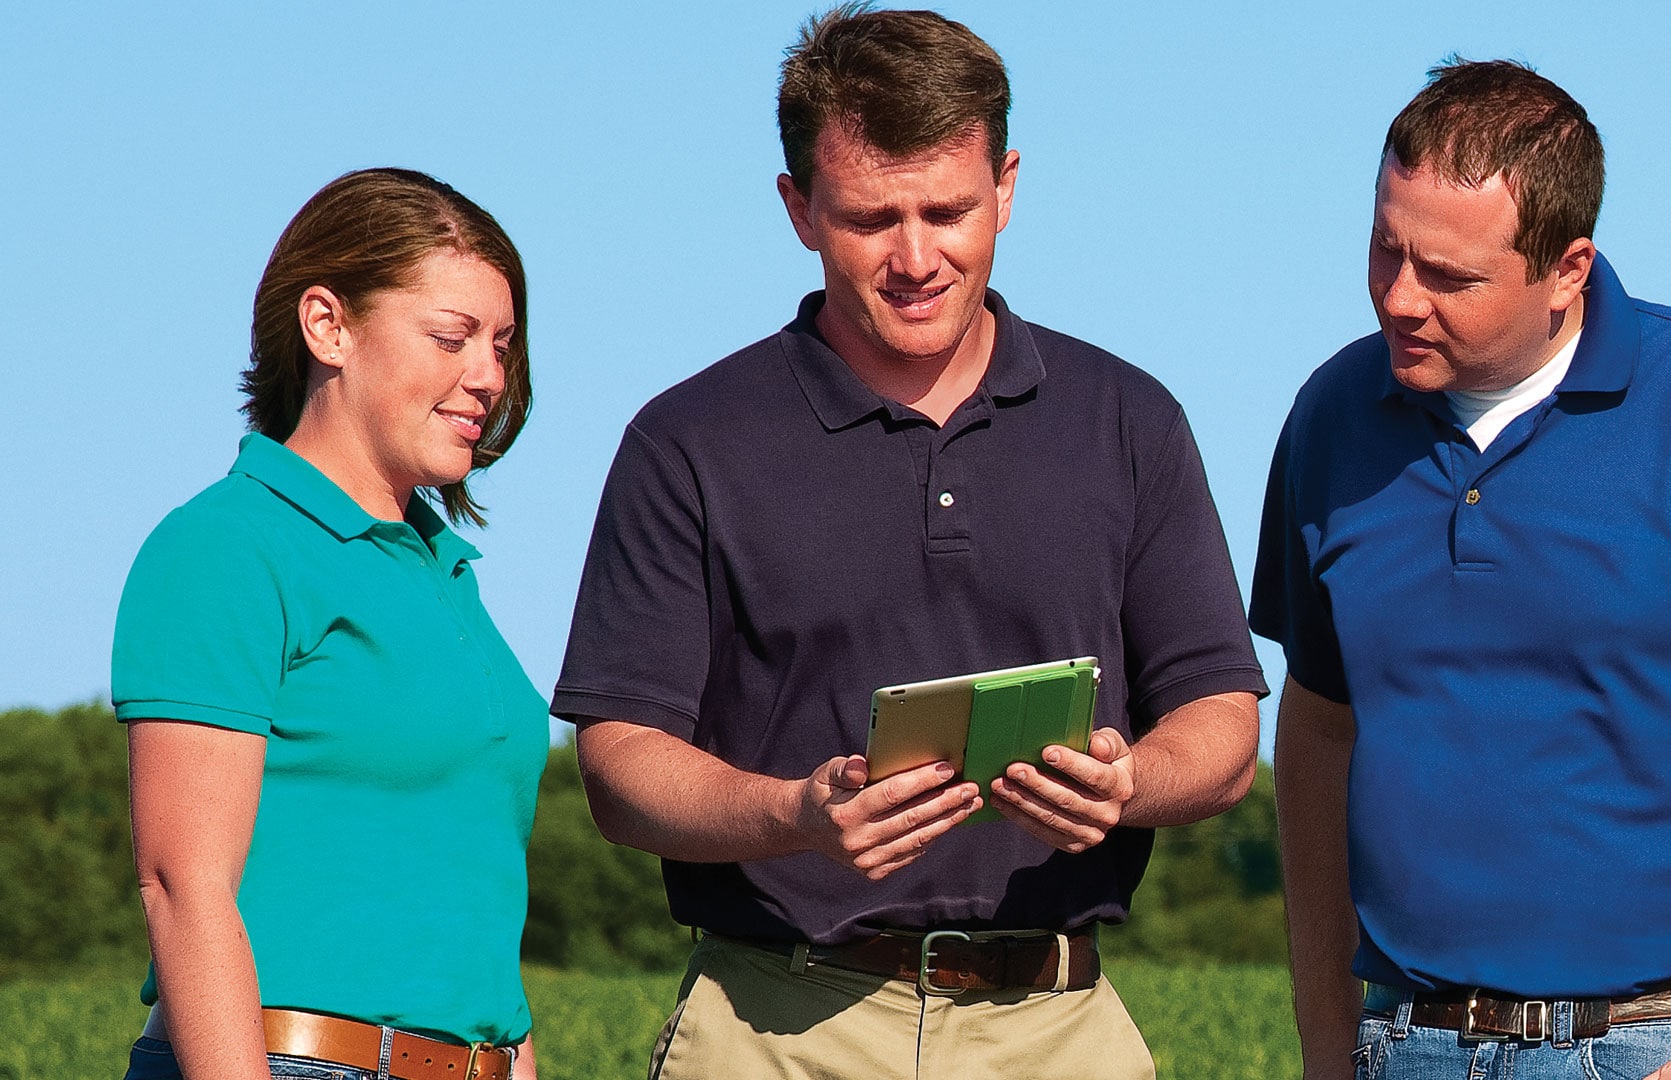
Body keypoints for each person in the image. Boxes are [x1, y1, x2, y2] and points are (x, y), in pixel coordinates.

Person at [552, 6, 1268, 1077]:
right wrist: (794, 813)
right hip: (774, 1030)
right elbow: (618, 767)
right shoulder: (689, 439)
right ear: (798, 208)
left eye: (948, 210)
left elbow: (1218, 724)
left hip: (1059, 1029)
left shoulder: (1129, 419)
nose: (916, 257)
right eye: (870, 217)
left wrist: (1129, 784)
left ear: (1008, 187)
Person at [1250, 58, 1671, 1080]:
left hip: (1653, 1046)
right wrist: (1324, 1041)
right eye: (1386, 249)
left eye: (1449, 276)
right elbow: (1318, 729)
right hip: (1403, 1044)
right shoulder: (1331, 419)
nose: (1398, 297)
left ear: (1567, 269)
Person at [112, 168, 546, 1080]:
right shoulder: (226, 548)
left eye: (502, 345)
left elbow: (472, 904)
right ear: (327, 326)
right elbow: (184, 888)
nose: (489, 378)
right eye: (451, 337)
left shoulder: (442, 568)